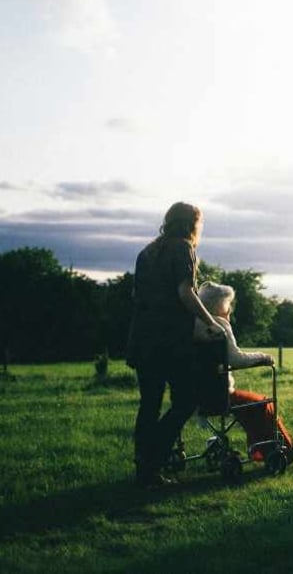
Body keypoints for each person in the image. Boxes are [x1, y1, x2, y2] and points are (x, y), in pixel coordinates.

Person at [127, 202, 227, 488]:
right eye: (200, 222)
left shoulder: (147, 252)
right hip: (169, 341)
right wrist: (211, 321)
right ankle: (153, 459)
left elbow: (137, 294)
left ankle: (144, 468)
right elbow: (185, 292)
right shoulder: (183, 248)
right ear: (191, 224)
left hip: (142, 338)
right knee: (186, 401)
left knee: (149, 405)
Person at [194, 282, 293, 464]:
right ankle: (284, 449)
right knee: (263, 404)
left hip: (195, 394)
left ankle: (264, 450)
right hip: (219, 394)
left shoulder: (193, 324)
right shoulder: (219, 325)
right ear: (218, 305)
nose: (230, 307)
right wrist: (263, 357)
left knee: (251, 405)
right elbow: (237, 359)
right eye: (227, 303)